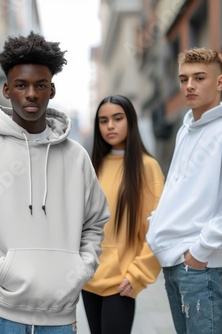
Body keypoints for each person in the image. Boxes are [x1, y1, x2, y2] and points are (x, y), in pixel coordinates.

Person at [0, 31, 110, 332]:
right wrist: (1, 271)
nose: (31, 93)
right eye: (21, 85)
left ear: (52, 90)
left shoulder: (77, 157)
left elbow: (95, 223)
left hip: (58, 320)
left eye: (40, 85)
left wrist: (79, 269)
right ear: (7, 90)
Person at [146, 47, 222, 334]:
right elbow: (179, 186)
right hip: (175, 264)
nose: (189, 86)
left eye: (199, 78)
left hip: (201, 268)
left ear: (220, 82)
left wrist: (199, 251)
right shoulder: (186, 129)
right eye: (183, 79)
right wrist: (159, 220)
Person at [82, 95, 164, 333]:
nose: (110, 126)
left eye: (117, 118)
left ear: (131, 121)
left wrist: (138, 274)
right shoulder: (93, 165)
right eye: (103, 120)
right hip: (89, 278)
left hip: (121, 282)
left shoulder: (147, 167)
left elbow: (158, 227)